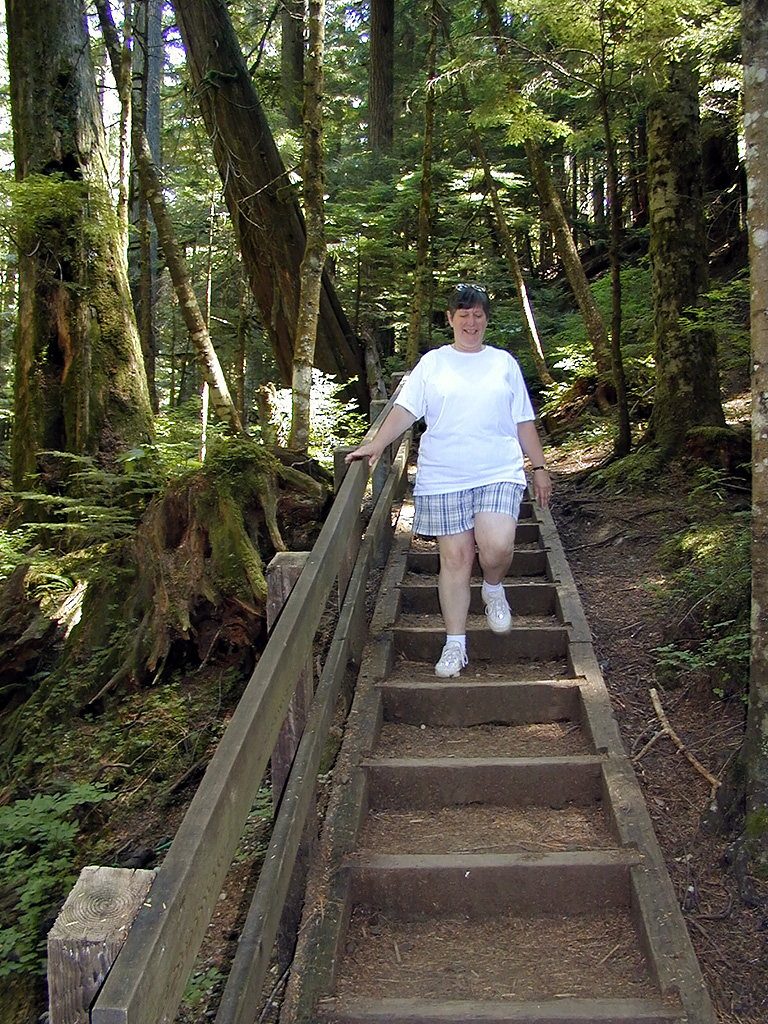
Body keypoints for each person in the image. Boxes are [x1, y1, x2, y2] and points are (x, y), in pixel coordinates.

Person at [345, 283, 552, 678]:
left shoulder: (503, 363)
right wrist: (374, 445)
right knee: (455, 560)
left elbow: (523, 420)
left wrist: (539, 468)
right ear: (451, 319)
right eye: (464, 315)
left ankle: (493, 586)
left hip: (497, 470)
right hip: (443, 475)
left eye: (478, 315)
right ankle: (455, 643)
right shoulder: (433, 364)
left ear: (486, 320)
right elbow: (405, 410)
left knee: (496, 547)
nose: (471, 322)